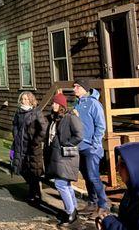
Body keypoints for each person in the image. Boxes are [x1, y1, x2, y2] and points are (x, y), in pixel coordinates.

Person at [44, 92, 84, 227]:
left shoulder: (70, 117)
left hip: (66, 155)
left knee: (60, 184)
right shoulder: (55, 118)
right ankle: (74, 209)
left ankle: (70, 212)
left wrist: (67, 144)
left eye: (55, 103)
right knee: (66, 184)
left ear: (61, 105)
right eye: (53, 103)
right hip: (58, 155)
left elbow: (79, 135)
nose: (53, 105)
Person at [73, 78, 109, 218]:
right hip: (80, 146)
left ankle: (103, 205)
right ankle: (92, 202)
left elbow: (101, 126)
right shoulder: (77, 103)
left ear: (84, 88)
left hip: (91, 148)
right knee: (87, 176)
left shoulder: (94, 104)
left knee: (94, 177)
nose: (74, 89)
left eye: (76, 87)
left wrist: (95, 143)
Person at [10, 91, 48, 204]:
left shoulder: (36, 112)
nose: (24, 101)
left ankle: (35, 194)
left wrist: (36, 141)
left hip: (32, 147)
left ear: (31, 100)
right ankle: (33, 191)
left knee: (33, 171)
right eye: (23, 99)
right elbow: (15, 125)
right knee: (22, 169)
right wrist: (15, 136)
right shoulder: (18, 112)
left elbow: (43, 128)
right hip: (20, 145)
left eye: (26, 99)